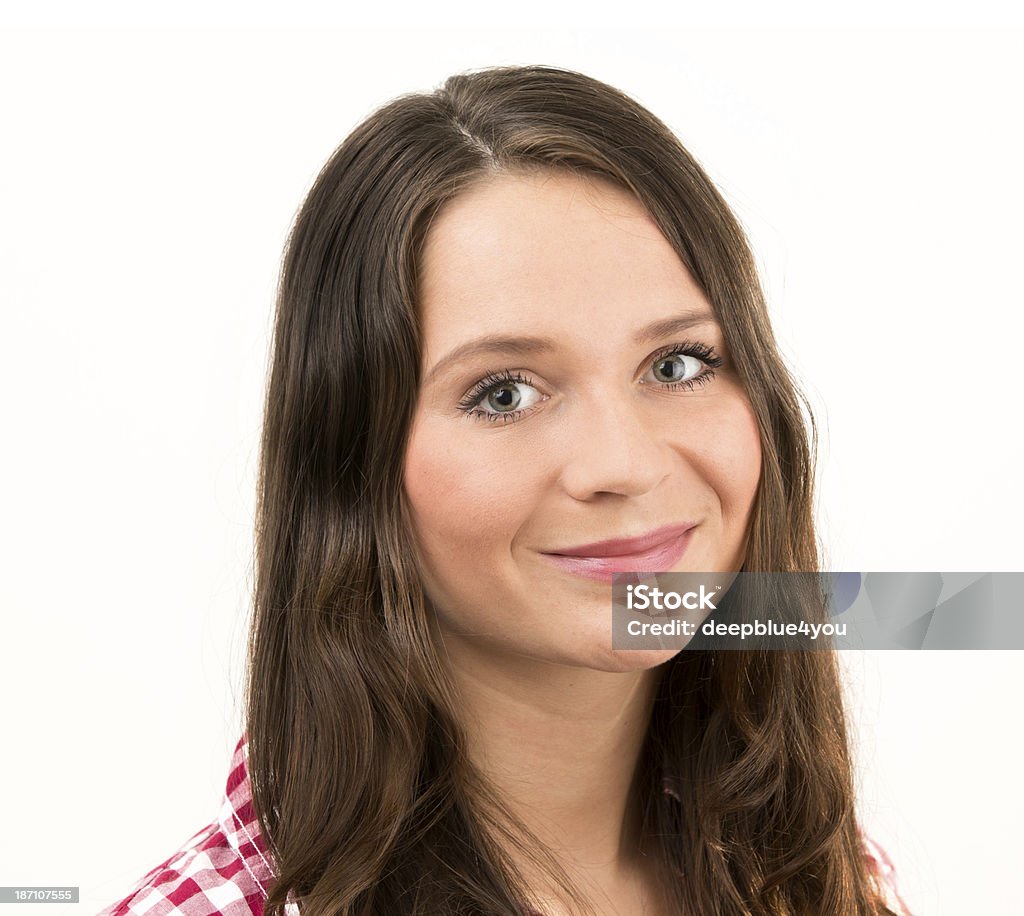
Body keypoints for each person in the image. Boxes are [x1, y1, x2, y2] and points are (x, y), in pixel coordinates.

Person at [98, 65, 912, 916]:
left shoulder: (822, 873)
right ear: (351, 460)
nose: (622, 464)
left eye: (678, 365)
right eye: (504, 393)